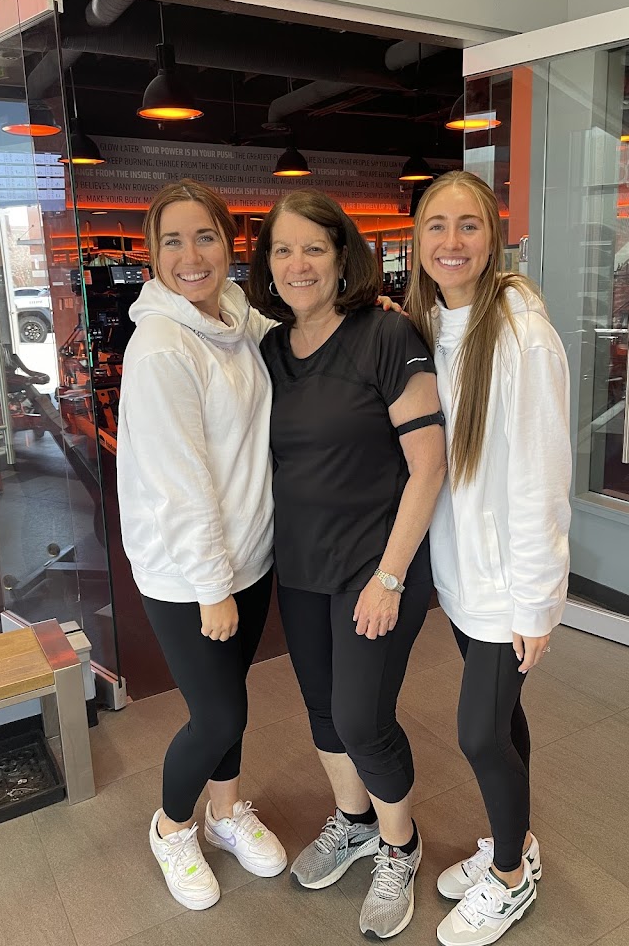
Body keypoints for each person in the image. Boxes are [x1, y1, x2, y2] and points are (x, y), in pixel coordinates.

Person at [249, 190, 447, 940]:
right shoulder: (270, 350)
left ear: (342, 257)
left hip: (377, 566)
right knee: (325, 712)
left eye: (313, 248)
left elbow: (428, 465)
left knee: (363, 718)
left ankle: (400, 845)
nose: (297, 264)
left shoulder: (387, 334)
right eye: (282, 250)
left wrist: (390, 578)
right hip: (301, 566)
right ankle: (355, 821)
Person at [405, 171, 571, 946]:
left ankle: (510, 878)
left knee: (477, 733)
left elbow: (541, 478)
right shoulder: (433, 324)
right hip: (464, 576)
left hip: (509, 586)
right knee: (502, 719)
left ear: (493, 236)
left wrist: (536, 602)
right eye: (435, 226)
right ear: (417, 240)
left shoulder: (521, 334)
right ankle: (517, 843)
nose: (451, 242)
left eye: (467, 225)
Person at [116, 179, 287, 911]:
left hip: (246, 554)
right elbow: (180, 485)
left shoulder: (235, 316)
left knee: (232, 701)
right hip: (189, 574)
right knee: (217, 716)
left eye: (206, 236)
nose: (191, 256)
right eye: (173, 242)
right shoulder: (161, 346)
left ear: (229, 242)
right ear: (153, 256)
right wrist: (213, 588)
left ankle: (225, 811)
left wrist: (362, 313)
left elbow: (288, 335)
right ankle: (172, 826)